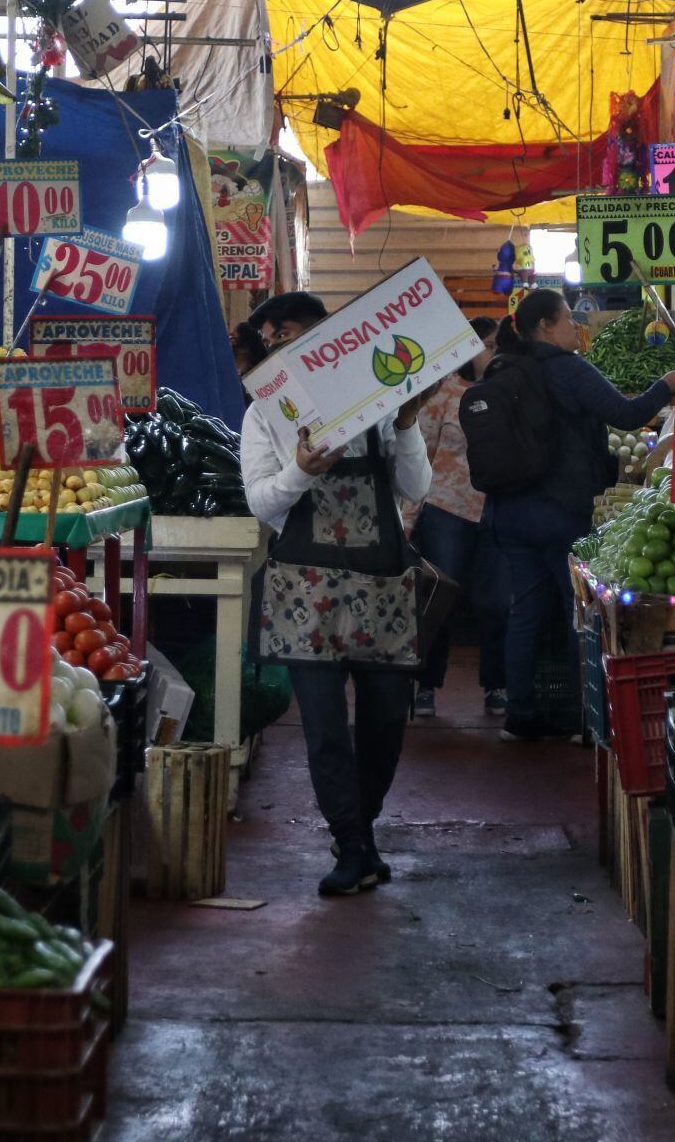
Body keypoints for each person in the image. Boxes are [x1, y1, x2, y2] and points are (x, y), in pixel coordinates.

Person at [241, 291, 433, 896]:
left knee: (385, 722)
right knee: (324, 729)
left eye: (289, 332)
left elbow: (415, 488)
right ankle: (351, 845)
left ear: (326, 334)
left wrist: (406, 424)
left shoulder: (379, 399)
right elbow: (261, 502)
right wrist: (300, 470)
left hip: (381, 588)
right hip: (305, 593)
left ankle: (363, 829)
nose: (279, 345)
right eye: (270, 339)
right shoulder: (265, 415)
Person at [485, 289, 675, 741]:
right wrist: (667, 384)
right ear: (545, 327)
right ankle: (584, 719)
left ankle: (519, 715)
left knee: (525, 611)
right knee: (579, 612)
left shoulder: (506, 366)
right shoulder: (567, 368)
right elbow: (625, 413)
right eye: (566, 319)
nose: (574, 326)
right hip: (560, 510)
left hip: (510, 510)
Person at [404, 316, 507, 719]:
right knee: (440, 599)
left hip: (496, 508)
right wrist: (408, 518)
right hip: (446, 508)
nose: (494, 354)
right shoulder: (443, 391)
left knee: (496, 602)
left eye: (498, 346)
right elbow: (419, 453)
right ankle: (426, 685)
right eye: (488, 345)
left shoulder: (507, 390)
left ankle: (496, 684)